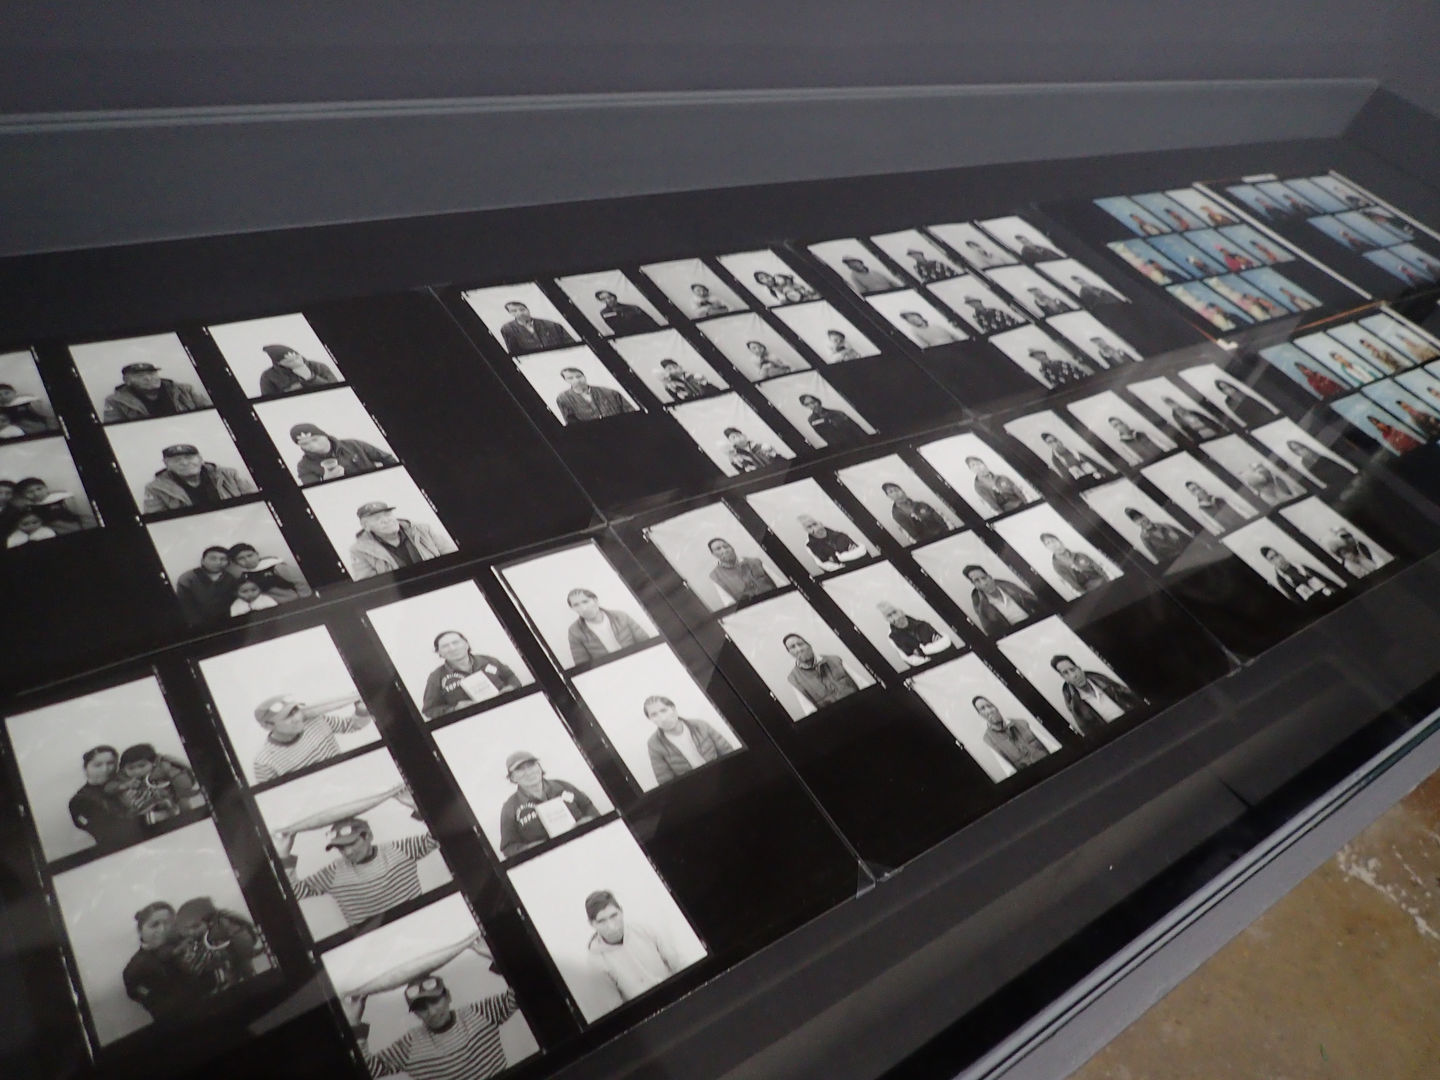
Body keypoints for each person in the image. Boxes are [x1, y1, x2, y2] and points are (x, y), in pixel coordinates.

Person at [343, 938, 519, 1080]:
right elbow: (368, 1070)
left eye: (435, 1000)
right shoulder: (409, 1045)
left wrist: (496, 957)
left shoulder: (481, 1012)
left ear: (448, 996)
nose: (432, 1012)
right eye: (421, 1007)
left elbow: (523, 990)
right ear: (415, 1013)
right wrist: (353, 1022)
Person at [274, 785, 437, 927]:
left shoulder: (400, 849)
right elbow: (295, 892)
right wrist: (283, 854)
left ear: (368, 836)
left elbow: (438, 837)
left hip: (420, 924)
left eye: (352, 843)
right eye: (340, 847)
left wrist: (417, 806)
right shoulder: (334, 872)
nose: (347, 852)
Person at [251, 692, 375, 783]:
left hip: (349, 780)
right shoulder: (264, 763)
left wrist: (362, 711)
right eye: (287, 716)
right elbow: (277, 799)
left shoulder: (315, 720)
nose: (297, 718)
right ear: (268, 726)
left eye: (296, 710)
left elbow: (351, 726)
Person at [497, 751, 599, 855]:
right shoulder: (509, 807)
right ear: (512, 777)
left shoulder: (564, 786)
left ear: (539, 767)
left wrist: (589, 820)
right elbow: (508, 847)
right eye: (520, 769)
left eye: (531, 765)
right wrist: (530, 849)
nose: (528, 772)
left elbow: (588, 807)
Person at [585, 890, 679, 1001]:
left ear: (621, 911)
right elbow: (614, 1004)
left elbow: (678, 962)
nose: (611, 926)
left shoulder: (644, 930)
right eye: (602, 921)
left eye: (614, 916)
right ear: (592, 924)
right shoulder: (595, 962)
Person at [122, 901, 207, 1020]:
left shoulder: (190, 941)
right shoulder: (134, 970)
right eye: (154, 925)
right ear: (140, 930)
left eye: (168, 923)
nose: (162, 929)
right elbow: (163, 1007)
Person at [168, 896, 264, 995]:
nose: (191, 932)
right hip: (226, 961)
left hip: (238, 956)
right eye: (188, 929)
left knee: (245, 972)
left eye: (195, 927)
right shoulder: (204, 934)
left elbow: (240, 946)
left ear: (210, 921)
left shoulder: (224, 926)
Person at [422, 631, 523, 718]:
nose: (452, 648)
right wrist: (455, 709)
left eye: (456, 642)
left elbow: (511, 677)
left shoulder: (489, 660)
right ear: (439, 652)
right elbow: (429, 710)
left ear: (466, 644)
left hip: (508, 710)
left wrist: (511, 687)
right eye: (445, 646)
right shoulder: (436, 677)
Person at [349, 501, 457, 579]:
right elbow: (370, 585)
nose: (386, 520)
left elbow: (452, 555)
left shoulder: (422, 530)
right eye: (377, 518)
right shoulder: (360, 551)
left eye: (387, 514)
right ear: (366, 526)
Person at [643, 695, 736, 785]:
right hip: (693, 786)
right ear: (650, 719)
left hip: (721, 775)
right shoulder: (654, 744)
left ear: (673, 709)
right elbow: (665, 781)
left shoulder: (700, 725)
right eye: (654, 715)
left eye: (664, 710)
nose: (662, 718)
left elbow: (727, 751)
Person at [141, 444, 257, 513]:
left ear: (200, 459)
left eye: (189, 457)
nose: (184, 463)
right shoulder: (155, 488)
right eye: (176, 460)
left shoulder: (229, 474)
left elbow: (254, 502)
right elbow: (157, 518)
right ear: (166, 464)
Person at [69, 745, 145, 849]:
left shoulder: (130, 781)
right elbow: (109, 832)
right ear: (86, 768)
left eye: (110, 763)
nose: (105, 769)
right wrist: (137, 811)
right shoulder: (79, 801)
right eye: (97, 765)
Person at [110, 743, 200, 827]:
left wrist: (185, 812)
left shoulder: (165, 769)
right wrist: (123, 786)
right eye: (131, 768)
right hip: (138, 809)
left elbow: (183, 789)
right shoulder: (122, 777)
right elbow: (109, 788)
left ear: (153, 762)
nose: (137, 771)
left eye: (142, 766)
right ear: (123, 769)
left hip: (169, 802)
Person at [1051, 654, 1140, 736]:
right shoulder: (1075, 705)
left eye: (1073, 669)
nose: (1073, 675)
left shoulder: (1105, 682)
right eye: (1066, 673)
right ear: (1064, 678)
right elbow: (1092, 734)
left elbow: (1136, 700)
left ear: (1079, 668)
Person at [565, 587, 652, 665]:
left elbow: (645, 641)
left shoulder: (621, 616)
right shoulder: (574, 631)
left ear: (595, 600)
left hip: (638, 660)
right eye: (576, 605)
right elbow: (582, 665)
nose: (583, 608)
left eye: (585, 601)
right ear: (572, 608)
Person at [289, 423, 398, 485]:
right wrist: (327, 481)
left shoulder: (354, 445)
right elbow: (314, 490)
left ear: (324, 435)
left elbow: (388, 459)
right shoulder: (304, 466)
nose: (312, 445)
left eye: (315, 439)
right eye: (304, 443)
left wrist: (388, 478)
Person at [102, 361, 212, 422]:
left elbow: (208, 412)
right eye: (140, 376)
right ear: (127, 381)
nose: (148, 378)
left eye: (152, 374)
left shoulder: (184, 389)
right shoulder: (115, 401)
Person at [785, 633, 861, 714]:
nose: (799, 649)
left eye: (800, 644)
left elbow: (861, 683)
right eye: (793, 647)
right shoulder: (794, 678)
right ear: (790, 653)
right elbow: (810, 711)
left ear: (809, 645)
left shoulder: (835, 660)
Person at [974, 695, 1050, 770]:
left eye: (990, 706)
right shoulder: (988, 739)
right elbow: (1009, 770)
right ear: (980, 715)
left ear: (995, 707)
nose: (989, 710)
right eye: (983, 708)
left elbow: (1050, 746)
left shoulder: (1022, 722)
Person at [964, 564, 1041, 635]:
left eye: (984, 578)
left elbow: (1038, 604)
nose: (984, 583)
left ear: (990, 577)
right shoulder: (982, 608)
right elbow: (993, 633)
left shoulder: (1012, 588)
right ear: (975, 585)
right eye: (977, 581)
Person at [176, 546, 240, 625]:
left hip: (227, 621)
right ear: (202, 561)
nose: (218, 562)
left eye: (223, 559)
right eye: (213, 559)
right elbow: (186, 607)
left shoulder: (230, 578)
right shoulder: (187, 578)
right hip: (199, 624)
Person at [226, 542, 311, 601]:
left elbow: (301, 583)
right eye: (241, 558)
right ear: (236, 563)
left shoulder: (275, 566)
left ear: (257, 554)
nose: (247, 560)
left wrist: (305, 601)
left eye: (250, 555)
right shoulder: (245, 576)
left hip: (292, 601)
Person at [877, 600, 954, 665]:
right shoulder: (893, 638)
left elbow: (945, 642)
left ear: (901, 611)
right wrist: (932, 648)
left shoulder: (923, 624)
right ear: (887, 620)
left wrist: (925, 650)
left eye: (894, 612)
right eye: (889, 616)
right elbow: (910, 659)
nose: (895, 618)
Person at [707, 537, 778, 606]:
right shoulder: (716, 576)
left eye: (726, 546)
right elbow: (729, 603)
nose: (725, 550)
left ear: (732, 548)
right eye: (718, 549)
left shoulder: (755, 561)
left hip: (776, 600)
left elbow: (778, 582)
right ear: (713, 554)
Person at [12, 477, 95, 534]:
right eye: (29, 492)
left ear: (46, 488)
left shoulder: (59, 498)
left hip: (73, 522)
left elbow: (76, 512)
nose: (36, 493)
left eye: (39, 489)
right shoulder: (29, 506)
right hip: (52, 528)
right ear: (23, 495)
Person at [555, 367, 637, 424]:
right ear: (565, 380)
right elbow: (571, 424)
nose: (576, 380)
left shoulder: (610, 392)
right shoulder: (563, 399)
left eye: (579, 376)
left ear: (584, 376)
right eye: (570, 378)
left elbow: (631, 413)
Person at [1260, 545, 1336, 603]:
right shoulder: (1281, 580)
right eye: (1272, 558)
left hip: (1329, 593)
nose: (1278, 559)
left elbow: (1322, 578)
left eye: (1277, 555)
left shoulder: (1299, 566)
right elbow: (1297, 600)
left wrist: (1335, 588)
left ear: (1281, 554)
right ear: (1270, 562)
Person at [258, 344, 341, 397]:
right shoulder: (268, 376)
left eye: (297, 357)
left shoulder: (318, 366)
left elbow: (336, 389)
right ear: (279, 364)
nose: (297, 362)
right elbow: (268, 399)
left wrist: (311, 378)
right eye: (289, 361)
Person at [1041, 532, 1109, 593]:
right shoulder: (1057, 566)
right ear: (1047, 548)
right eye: (1048, 543)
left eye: (1053, 540)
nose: (1052, 544)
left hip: (1103, 582)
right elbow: (1073, 584)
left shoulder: (1080, 555)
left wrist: (1107, 580)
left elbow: (1098, 568)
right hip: (1091, 590)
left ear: (1059, 541)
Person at [498, 300, 575, 354]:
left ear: (528, 309)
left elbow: (571, 344)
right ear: (510, 313)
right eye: (514, 311)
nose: (520, 313)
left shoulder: (552, 325)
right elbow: (514, 352)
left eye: (522, 309)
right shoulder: (507, 329)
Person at [882, 480, 948, 541]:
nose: (895, 493)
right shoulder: (896, 514)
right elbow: (912, 534)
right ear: (888, 496)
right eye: (891, 492)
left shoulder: (921, 504)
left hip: (944, 533)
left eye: (896, 489)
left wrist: (946, 531)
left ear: (902, 491)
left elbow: (939, 518)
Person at [799, 393, 867, 448]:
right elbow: (823, 436)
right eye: (807, 404)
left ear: (818, 401)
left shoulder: (837, 413)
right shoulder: (812, 420)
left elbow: (855, 428)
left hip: (855, 442)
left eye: (813, 402)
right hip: (838, 448)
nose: (812, 406)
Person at [799, 513, 864, 571]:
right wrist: (845, 557)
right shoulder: (812, 546)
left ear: (820, 523)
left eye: (815, 524)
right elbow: (825, 564)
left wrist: (840, 558)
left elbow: (859, 550)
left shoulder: (840, 534)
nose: (815, 528)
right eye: (809, 527)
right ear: (806, 530)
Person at [1123, 507, 1190, 563]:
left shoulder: (1165, 525)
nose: (1142, 520)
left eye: (1141, 516)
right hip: (1177, 562)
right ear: (1136, 523)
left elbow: (1187, 538)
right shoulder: (1145, 538)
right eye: (1137, 520)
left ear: (1145, 515)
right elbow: (1159, 558)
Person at [1040, 432, 1107, 482]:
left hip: (1097, 478)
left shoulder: (1074, 452)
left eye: (1055, 440)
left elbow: (1098, 466)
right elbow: (1068, 479)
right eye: (1050, 442)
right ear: (1048, 445)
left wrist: (1103, 474)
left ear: (1059, 440)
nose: (1055, 443)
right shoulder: (1056, 460)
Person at [1286, 438, 1352, 487]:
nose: (1301, 450)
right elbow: (1321, 478)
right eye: (1297, 450)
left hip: (1345, 475)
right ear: (1296, 453)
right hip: (1336, 484)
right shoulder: (1305, 463)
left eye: (1301, 447)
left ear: (1304, 446)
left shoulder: (1317, 453)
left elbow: (1336, 464)